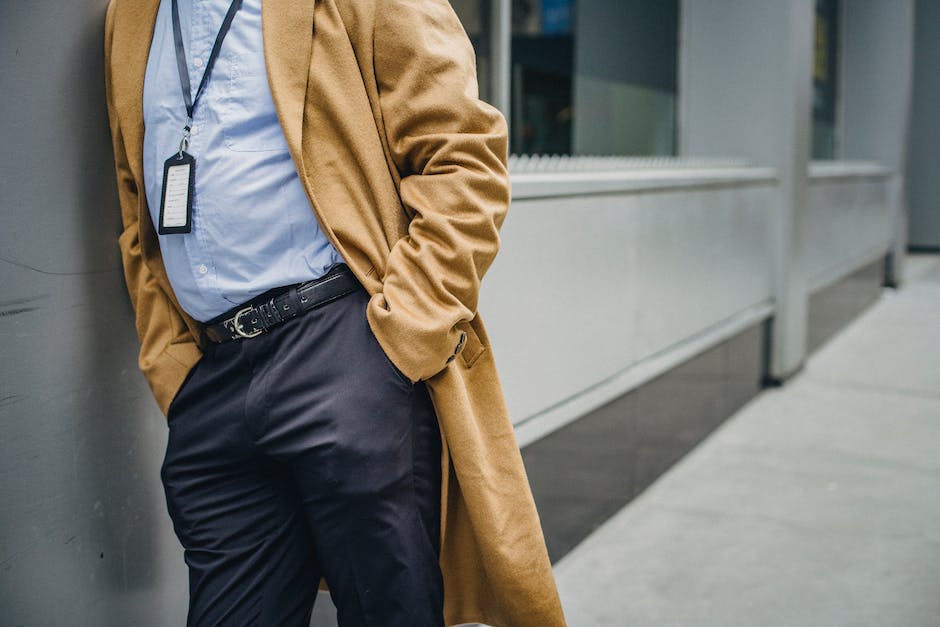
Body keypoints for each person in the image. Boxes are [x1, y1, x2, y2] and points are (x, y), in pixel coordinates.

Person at [104, 0, 565, 625]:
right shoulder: (129, 16)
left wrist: (399, 339)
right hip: (213, 384)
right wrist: (173, 367)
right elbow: (137, 211)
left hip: (345, 352)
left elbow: (463, 159)